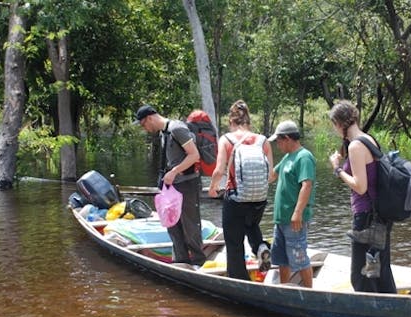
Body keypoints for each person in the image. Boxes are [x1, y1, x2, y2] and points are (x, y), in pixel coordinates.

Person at [328, 100, 397, 293]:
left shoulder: (355, 146)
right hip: (379, 216)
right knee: (380, 271)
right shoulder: (369, 139)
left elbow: (360, 186)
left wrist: (337, 169)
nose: (334, 129)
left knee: (360, 276)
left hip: (366, 217)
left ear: (339, 124)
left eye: (334, 125)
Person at [208, 100, 274, 280]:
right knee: (251, 225)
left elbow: (219, 170)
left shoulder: (226, 140)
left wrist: (213, 188)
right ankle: (261, 247)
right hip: (259, 198)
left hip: (236, 197)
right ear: (248, 121)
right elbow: (271, 175)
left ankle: (239, 280)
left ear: (231, 121)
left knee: (234, 242)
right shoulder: (263, 141)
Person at [134, 104, 206, 268]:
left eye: (143, 124)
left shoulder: (177, 129)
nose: (144, 128)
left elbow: (194, 155)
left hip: (187, 183)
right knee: (172, 223)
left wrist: (174, 171)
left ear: (150, 118)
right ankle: (181, 261)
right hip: (172, 187)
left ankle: (198, 262)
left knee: (190, 224)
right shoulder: (163, 133)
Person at [267, 120, 316, 288]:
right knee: (281, 258)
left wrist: (297, 212)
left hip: (294, 218)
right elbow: (272, 176)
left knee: (299, 256)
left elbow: (307, 185)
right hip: (281, 219)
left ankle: (310, 291)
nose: (278, 145)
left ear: (287, 138)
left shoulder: (304, 157)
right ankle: (284, 288)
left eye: (279, 141)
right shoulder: (288, 157)